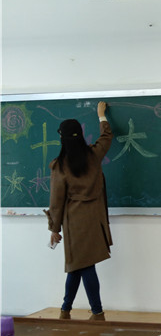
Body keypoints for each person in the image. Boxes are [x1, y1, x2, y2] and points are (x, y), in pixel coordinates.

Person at [45, 101, 113, 321]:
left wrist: (54, 228)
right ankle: (65, 310)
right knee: (76, 265)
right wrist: (101, 115)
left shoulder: (60, 166)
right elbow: (106, 137)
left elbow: (56, 201)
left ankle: (97, 312)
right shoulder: (93, 155)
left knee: (84, 265)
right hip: (94, 218)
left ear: (62, 139)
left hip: (74, 221)